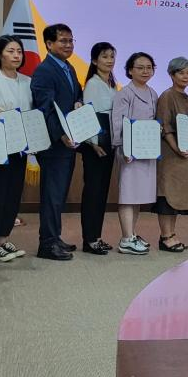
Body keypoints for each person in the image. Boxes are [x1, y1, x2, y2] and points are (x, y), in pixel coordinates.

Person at [30, 23, 83, 260]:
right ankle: (47, 244)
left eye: (71, 40)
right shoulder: (44, 71)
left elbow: (76, 94)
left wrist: (79, 102)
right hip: (54, 143)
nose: (68, 45)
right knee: (52, 195)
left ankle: (54, 237)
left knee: (59, 194)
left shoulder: (68, 67)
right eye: (63, 41)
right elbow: (46, 109)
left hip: (69, 142)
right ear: (49, 44)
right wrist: (61, 134)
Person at [0, 35, 32, 262]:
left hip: (20, 145)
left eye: (19, 51)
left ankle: (3, 238)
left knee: (13, 193)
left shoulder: (27, 81)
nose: (16, 55)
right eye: (11, 51)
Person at [111, 52, 159, 255]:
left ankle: (132, 234)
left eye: (149, 67)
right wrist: (124, 148)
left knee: (138, 195)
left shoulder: (153, 93)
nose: (145, 71)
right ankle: (126, 239)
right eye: (140, 67)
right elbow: (118, 123)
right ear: (130, 70)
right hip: (129, 153)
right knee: (128, 195)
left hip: (147, 151)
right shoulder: (125, 93)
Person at [154, 57, 188, 251]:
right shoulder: (167, 96)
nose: (185, 76)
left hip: (185, 156)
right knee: (167, 196)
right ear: (171, 75)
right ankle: (166, 236)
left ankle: (171, 234)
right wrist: (176, 148)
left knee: (176, 197)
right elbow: (164, 127)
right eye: (181, 72)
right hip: (171, 155)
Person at [78, 42, 117, 255]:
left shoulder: (111, 84)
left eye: (112, 56)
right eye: (104, 56)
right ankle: (90, 239)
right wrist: (93, 143)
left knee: (101, 191)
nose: (109, 60)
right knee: (93, 191)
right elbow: (89, 114)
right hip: (96, 142)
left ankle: (97, 236)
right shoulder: (93, 84)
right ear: (94, 60)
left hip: (109, 140)